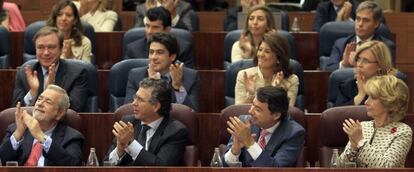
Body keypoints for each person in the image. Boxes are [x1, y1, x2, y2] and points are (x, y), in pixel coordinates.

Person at [105, 78, 189, 166]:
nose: (134, 103)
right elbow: (107, 165)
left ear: (156, 106)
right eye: (135, 97)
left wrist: (131, 144)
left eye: (140, 99)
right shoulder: (128, 123)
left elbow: (162, 168)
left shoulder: (176, 132)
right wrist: (119, 150)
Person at [0, 85, 85, 166]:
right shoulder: (15, 129)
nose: (40, 104)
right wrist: (18, 133)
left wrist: (41, 136)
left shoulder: (72, 137)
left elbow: (74, 165)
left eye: (48, 102)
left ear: (60, 113)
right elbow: (2, 159)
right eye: (39, 99)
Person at [339, 75, 412, 167]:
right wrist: (353, 149)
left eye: (373, 97)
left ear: (389, 102)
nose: (366, 102)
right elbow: (340, 166)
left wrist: (361, 142)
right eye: (367, 96)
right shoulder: (361, 127)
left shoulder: (402, 131)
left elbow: (388, 167)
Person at [12, 26, 89, 112]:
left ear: (61, 49)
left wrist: (52, 91)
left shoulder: (77, 73)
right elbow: (15, 109)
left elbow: (75, 109)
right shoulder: (25, 73)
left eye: (51, 47)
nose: (46, 53)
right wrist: (32, 93)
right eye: (40, 47)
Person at [224, 86, 305, 167]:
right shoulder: (245, 122)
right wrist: (235, 150)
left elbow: (276, 168)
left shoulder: (294, 133)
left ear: (276, 115)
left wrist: (250, 143)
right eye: (253, 105)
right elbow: (223, 166)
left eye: (258, 109)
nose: (250, 111)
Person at [125, 32, 199, 111]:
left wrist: (178, 88)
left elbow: (192, 114)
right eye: (151, 52)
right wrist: (151, 86)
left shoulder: (190, 76)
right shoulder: (136, 75)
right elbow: (129, 111)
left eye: (160, 52)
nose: (153, 57)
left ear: (172, 56)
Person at [325, 1, 395, 71]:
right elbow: (328, 70)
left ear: (376, 23)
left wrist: (359, 64)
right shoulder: (341, 44)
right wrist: (344, 64)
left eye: (366, 20)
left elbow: (388, 74)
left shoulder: (386, 46)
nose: (360, 24)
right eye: (358, 19)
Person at [235, 32, 298, 107]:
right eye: (260, 50)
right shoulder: (244, 75)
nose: (261, 55)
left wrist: (274, 90)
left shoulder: (291, 80)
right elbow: (238, 111)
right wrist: (251, 95)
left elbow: (287, 112)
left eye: (267, 52)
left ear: (278, 58)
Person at [334, 40, 398, 107]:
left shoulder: (391, 87)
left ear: (380, 65)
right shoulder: (346, 87)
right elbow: (336, 115)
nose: (359, 64)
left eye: (365, 61)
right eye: (358, 59)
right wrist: (360, 96)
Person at [125, 6, 194, 68]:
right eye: (147, 26)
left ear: (167, 30)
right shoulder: (133, 49)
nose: (149, 31)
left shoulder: (183, 48)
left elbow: (187, 77)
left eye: (155, 27)